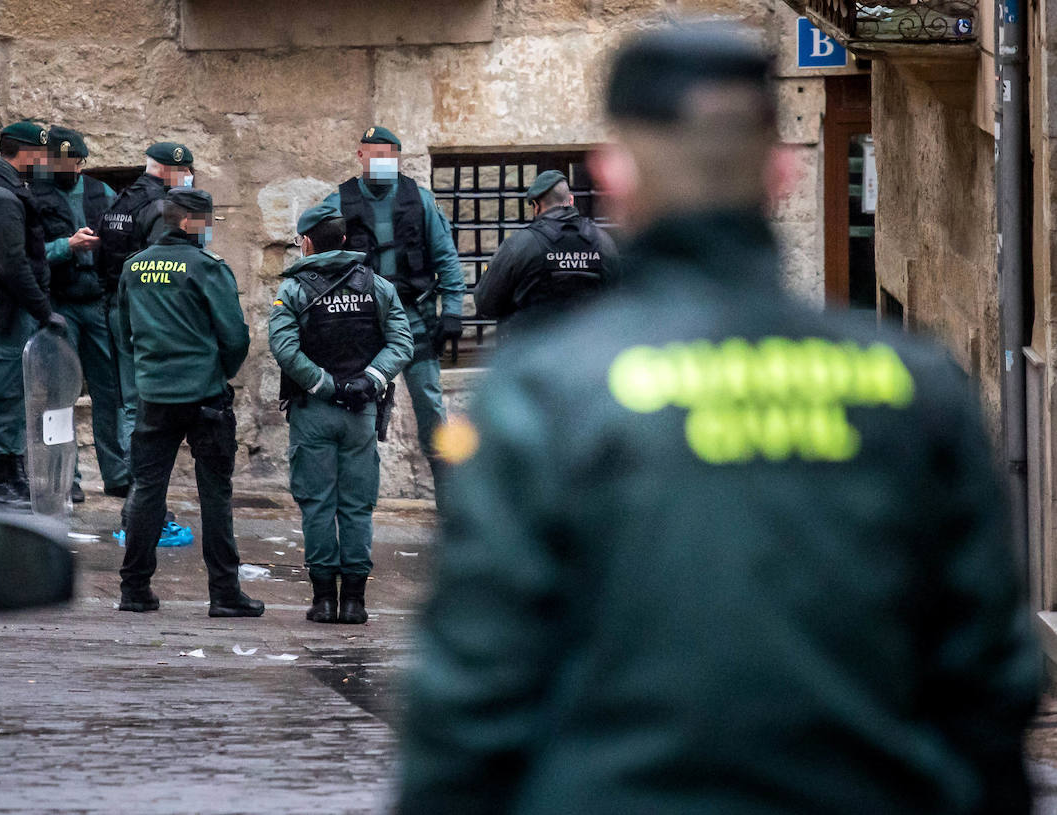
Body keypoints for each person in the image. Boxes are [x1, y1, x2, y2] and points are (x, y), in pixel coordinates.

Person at [398, 23, 1040, 814]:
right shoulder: (912, 386)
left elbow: (472, 694)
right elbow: (988, 684)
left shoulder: (544, 398)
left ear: (616, 173)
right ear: (779, 173)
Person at [115, 188, 263, 618]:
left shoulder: (134, 267)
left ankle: (135, 590)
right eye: (207, 221)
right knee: (215, 493)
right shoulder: (207, 267)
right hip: (204, 395)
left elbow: (123, 333)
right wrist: (219, 372)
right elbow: (234, 336)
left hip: (154, 395)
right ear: (188, 222)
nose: (210, 230)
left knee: (146, 490)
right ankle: (224, 593)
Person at [268, 202, 414, 624]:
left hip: (314, 409)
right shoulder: (378, 286)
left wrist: (323, 385)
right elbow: (401, 342)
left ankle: (323, 601)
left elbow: (283, 347)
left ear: (308, 242)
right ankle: (354, 602)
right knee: (356, 506)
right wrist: (370, 380)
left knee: (317, 504)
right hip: (361, 413)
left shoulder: (293, 290)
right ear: (344, 240)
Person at [323, 127, 466, 508]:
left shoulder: (419, 200)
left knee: (432, 412)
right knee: (356, 414)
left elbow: (446, 258)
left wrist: (452, 311)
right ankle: (354, 505)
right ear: (360, 156)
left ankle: (451, 508)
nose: (381, 162)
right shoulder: (338, 201)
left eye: (388, 155)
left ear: (397, 158)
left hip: (416, 319)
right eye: (373, 154)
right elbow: (318, 259)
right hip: (361, 325)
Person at [0, 119, 68, 507]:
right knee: (3, 391)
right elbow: (11, 263)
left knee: (16, 389)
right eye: (40, 153)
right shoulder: (1, 197)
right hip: (4, 304)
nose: (43, 160)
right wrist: (44, 310)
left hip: (11, 303)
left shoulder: (7, 189)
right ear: (23, 152)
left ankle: (13, 471)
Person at [29, 125, 129, 502]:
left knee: (110, 392)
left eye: (75, 161)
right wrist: (65, 246)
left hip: (98, 303)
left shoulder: (100, 192)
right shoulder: (33, 195)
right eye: (62, 160)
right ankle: (64, 478)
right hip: (60, 305)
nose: (69, 167)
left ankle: (117, 474)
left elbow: (123, 238)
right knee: (58, 394)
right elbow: (28, 251)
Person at [98, 142, 197, 450]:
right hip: (146, 312)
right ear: (167, 170)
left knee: (128, 395)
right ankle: (140, 477)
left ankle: (131, 476)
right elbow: (162, 267)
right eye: (185, 171)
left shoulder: (121, 200)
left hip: (116, 304)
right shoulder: (161, 206)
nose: (190, 176)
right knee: (146, 398)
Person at [472, 169, 619, 333]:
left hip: (532, 349)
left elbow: (485, 303)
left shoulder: (521, 244)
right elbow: (620, 297)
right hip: (590, 349)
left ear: (536, 206)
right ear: (571, 200)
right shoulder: (603, 241)